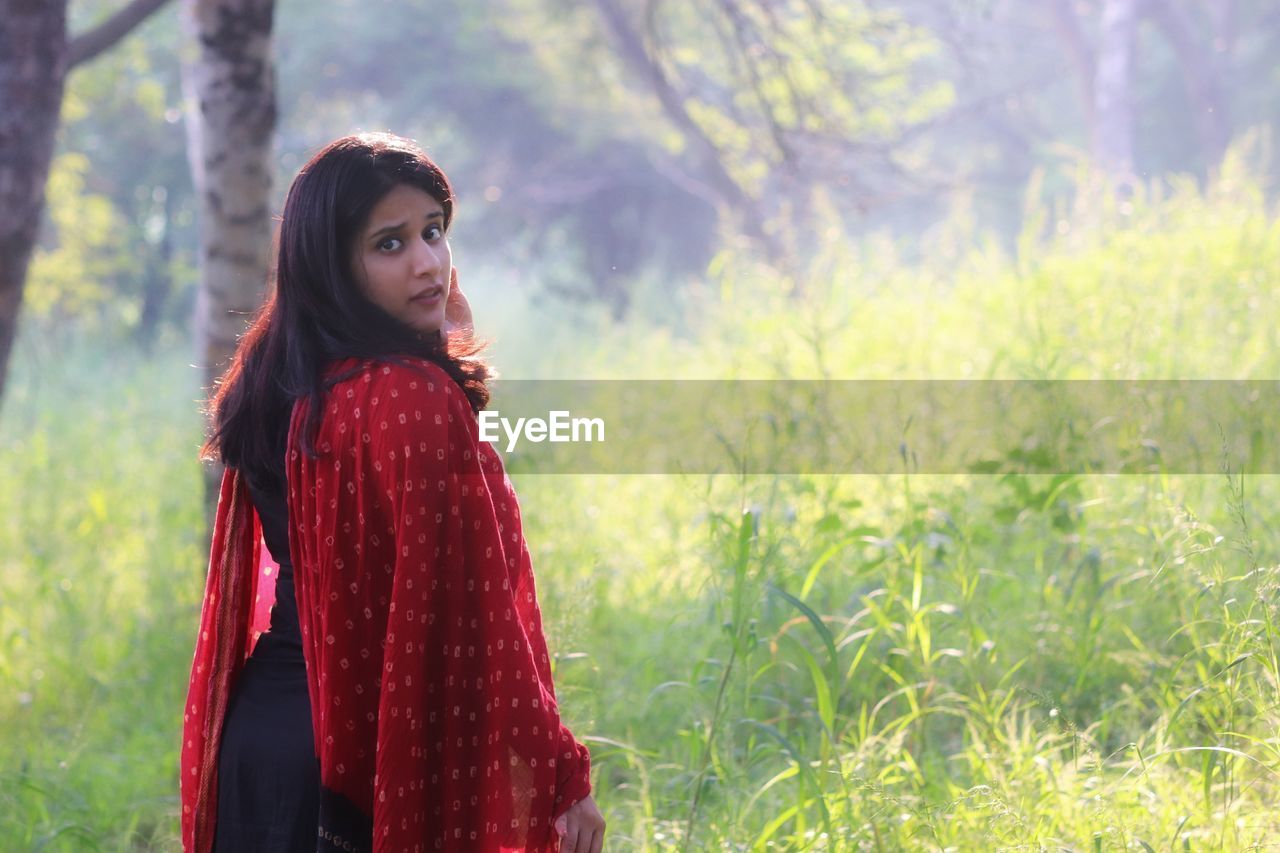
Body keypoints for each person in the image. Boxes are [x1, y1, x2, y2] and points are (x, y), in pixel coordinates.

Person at [180, 132, 606, 852]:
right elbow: (480, 617)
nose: (427, 262)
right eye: (389, 244)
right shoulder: (409, 398)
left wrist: (437, 347)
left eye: (434, 232)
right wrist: (562, 770)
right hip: (365, 762)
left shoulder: (275, 380)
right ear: (333, 268)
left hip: (260, 745)